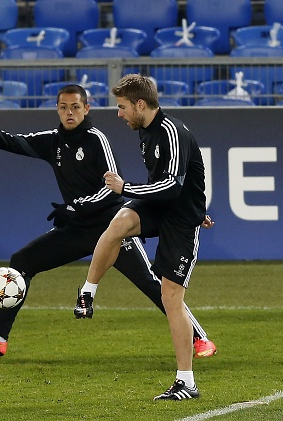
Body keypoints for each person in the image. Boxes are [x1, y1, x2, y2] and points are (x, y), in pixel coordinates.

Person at [0, 84, 216, 359]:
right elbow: (13, 141)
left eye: (75, 107)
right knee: (22, 261)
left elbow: (112, 189)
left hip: (111, 227)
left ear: (86, 109)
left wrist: (77, 205)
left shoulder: (96, 139)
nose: (69, 112)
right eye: (63, 107)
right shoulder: (52, 141)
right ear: (57, 110)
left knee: (152, 283)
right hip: (77, 228)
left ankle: (199, 337)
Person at [75, 74, 211, 401]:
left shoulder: (172, 132)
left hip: (180, 220)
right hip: (160, 207)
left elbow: (174, 185)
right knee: (119, 223)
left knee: (170, 298)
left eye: (122, 107)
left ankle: (186, 382)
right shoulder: (145, 130)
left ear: (140, 104)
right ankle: (87, 292)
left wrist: (126, 188)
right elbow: (167, 183)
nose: (119, 113)